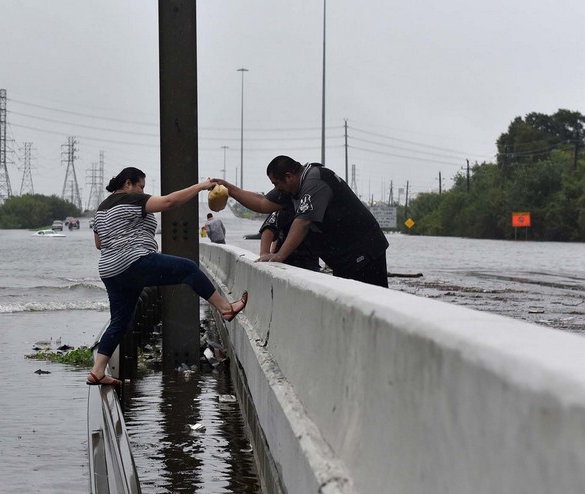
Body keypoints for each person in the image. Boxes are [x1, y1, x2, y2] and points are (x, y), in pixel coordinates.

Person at [88, 167, 249, 386]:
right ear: (128, 184)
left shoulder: (101, 209)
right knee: (188, 269)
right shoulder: (131, 200)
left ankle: (98, 371)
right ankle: (226, 309)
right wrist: (201, 186)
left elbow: (99, 244)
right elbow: (169, 203)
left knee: (120, 321)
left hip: (110, 270)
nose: (143, 191)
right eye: (141, 186)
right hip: (134, 262)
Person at [211, 155, 389, 287]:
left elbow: (303, 222)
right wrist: (228, 188)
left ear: (289, 176)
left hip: (365, 250)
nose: (276, 188)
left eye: (276, 183)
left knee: (374, 304)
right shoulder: (292, 190)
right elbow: (261, 202)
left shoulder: (315, 180)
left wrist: (279, 256)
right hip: (343, 257)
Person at [258, 202, 320, 271]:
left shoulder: (314, 205)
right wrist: (264, 253)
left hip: (310, 262)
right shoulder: (286, 204)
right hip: (285, 261)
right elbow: (269, 227)